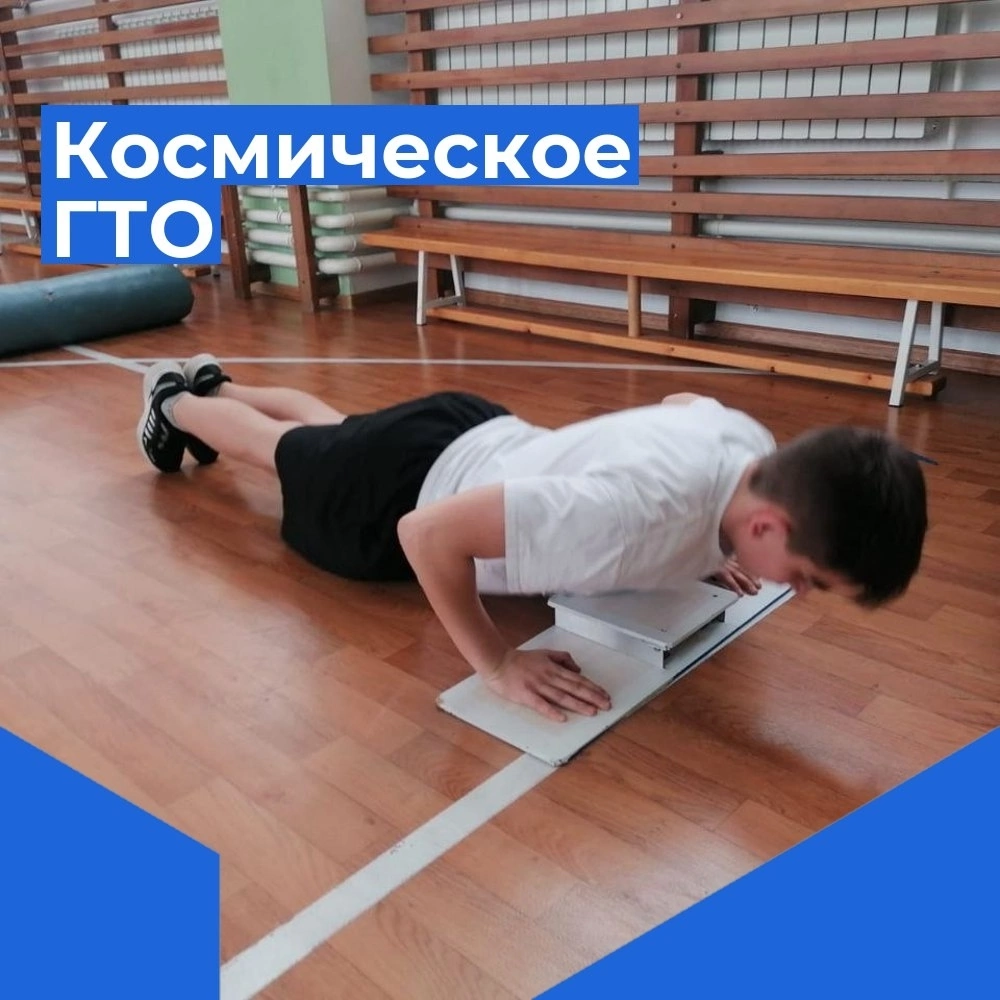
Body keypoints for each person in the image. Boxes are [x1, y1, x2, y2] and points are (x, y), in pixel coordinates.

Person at [137, 356, 927, 723]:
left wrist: (712, 548)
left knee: (333, 434)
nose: (796, 592)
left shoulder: (751, 447)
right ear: (766, 524)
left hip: (473, 430)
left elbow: (683, 404)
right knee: (278, 450)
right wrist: (497, 663)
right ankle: (175, 402)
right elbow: (424, 535)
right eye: (807, 576)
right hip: (398, 496)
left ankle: (221, 380)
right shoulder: (628, 518)